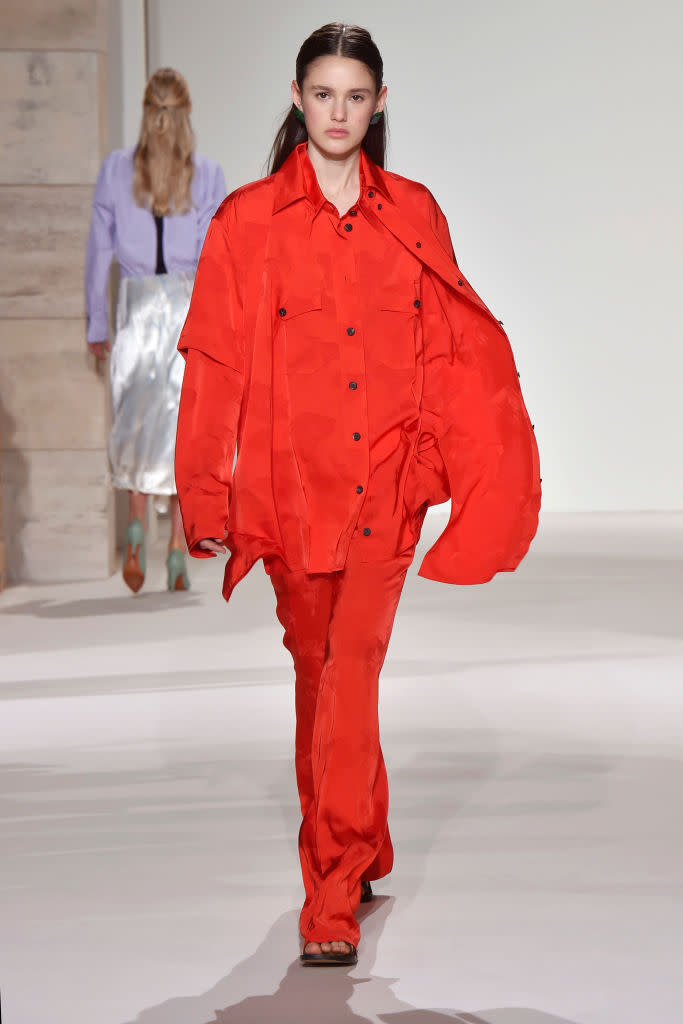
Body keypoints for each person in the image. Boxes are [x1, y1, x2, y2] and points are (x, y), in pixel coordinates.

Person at [175, 23, 541, 965]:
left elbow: (454, 348)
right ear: (297, 99)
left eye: (356, 96)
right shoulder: (246, 221)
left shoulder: (412, 213)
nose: (338, 112)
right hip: (288, 490)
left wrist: (444, 467)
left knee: (350, 676)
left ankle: (329, 893)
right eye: (323, 94)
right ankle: (365, 832)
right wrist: (203, 493)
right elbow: (212, 365)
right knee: (318, 676)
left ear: (378, 105)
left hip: (383, 490)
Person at [85, 67, 226, 593]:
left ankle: (136, 527)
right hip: (188, 310)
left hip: (137, 308)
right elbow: (218, 258)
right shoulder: (207, 175)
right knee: (183, 432)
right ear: (185, 114)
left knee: (135, 424)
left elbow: (100, 254)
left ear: (146, 113)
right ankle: (176, 549)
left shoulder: (115, 172)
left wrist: (97, 321)